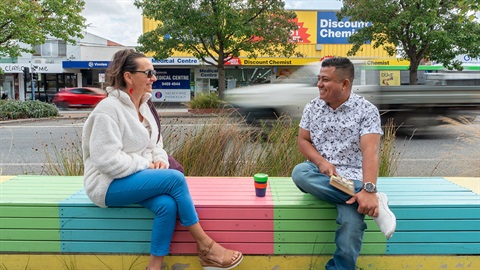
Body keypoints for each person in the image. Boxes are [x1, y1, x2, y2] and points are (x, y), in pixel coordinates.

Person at [82, 49, 243, 270]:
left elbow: (155, 144)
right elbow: (105, 161)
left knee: (167, 205)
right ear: (128, 76)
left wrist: (159, 161)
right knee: (175, 179)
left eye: (153, 72)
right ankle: (206, 246)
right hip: (106, 184)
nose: (154, 78)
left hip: (134, 177)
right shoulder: (108, 110)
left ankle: (154, 267)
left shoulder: (145, 106)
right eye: (148, 73)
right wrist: (146, 165)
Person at [291, 57, 396, 270]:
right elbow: (303, 140)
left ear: (344, 83)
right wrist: (321, 162)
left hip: (354, 176)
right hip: (321, 174)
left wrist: (368, 187)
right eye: (319, 79)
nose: (319, 84)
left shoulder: (366, 110)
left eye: (325, 80)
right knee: (300, 172)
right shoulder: (313, 107)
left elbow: (370, 151)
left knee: (352, 223)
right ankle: (371, 198)